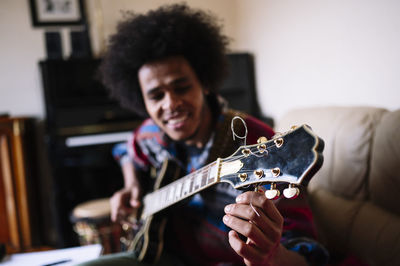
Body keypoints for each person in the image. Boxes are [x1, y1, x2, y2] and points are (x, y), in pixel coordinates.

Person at [80, 3, 328, 266]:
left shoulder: (257, 145)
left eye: (182, 87)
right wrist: (131, 184)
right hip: (161, 254)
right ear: (142, 101)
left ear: (205, 83)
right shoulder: (152, 134)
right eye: (156, 96)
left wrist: (272, 255)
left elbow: (307, 254)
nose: (170, 104)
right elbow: (127, 150)